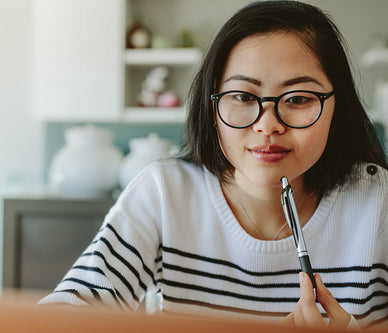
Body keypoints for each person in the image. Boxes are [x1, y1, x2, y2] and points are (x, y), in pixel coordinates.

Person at [39, 1, 388, 329]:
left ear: (336, 108)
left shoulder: (379, 203)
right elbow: (62, 317)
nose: (267, 125)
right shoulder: (165, 194)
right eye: (243, 97)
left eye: (298, 99)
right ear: (212, 107)